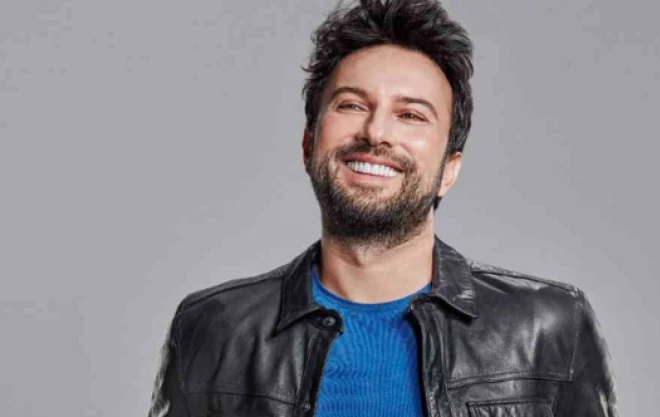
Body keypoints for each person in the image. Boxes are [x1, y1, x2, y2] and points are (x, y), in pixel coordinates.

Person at [147, 1, 619, 416]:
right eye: (352, 105)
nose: (376, 133)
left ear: (449, 169)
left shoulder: (548, 327)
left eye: (411, 114)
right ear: (309, 145)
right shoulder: (214, 328)